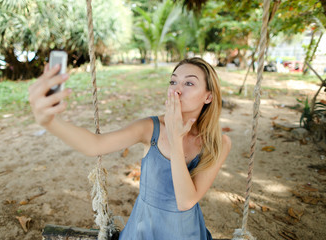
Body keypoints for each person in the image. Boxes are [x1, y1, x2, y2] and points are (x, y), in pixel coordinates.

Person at [29, 57, 231, 240]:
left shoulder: (218, 143)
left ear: (208, 97)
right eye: (173, 81)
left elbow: (186, 201)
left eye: (189, 83)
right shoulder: (150, 128)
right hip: (143, 231)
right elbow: (95, 145)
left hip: (187, 232)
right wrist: (50, 123)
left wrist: (175, 140)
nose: (176, 89)